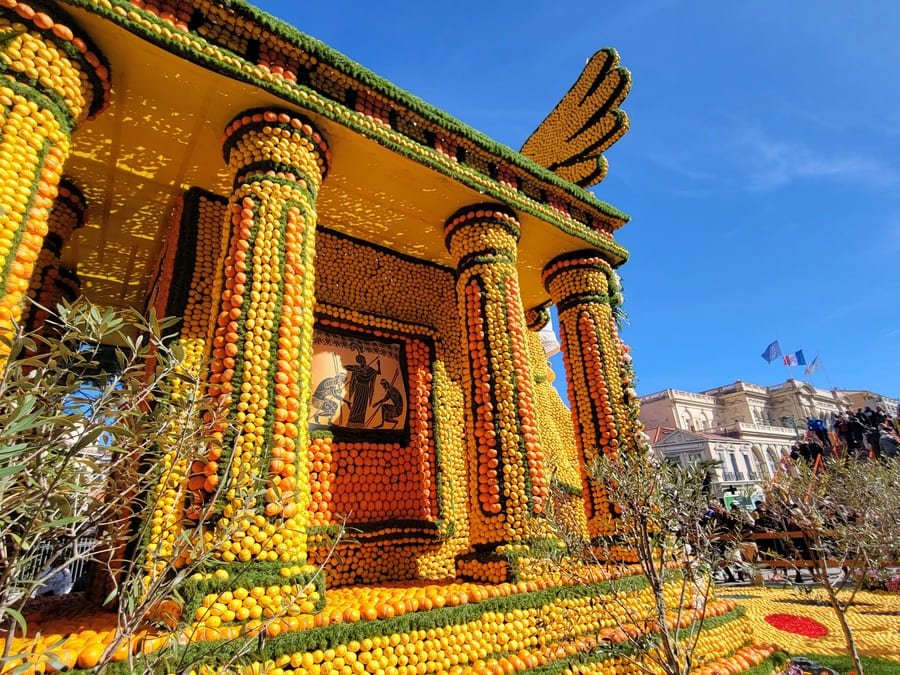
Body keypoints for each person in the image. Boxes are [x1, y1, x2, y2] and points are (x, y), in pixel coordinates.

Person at [344, 354, 381, 427]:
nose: (361, 362)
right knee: (356, 404)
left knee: (363, 405)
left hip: (366, 389)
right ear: (358, 362)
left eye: (362, 360)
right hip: (358, 388)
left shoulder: (370, 370)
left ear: (364, 360)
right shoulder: (357, 368)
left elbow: (378, 373)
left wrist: (379, 365)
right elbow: (345, 367)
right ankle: (352, 420)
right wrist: (356, 368)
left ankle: (360, 422)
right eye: (359, 361)